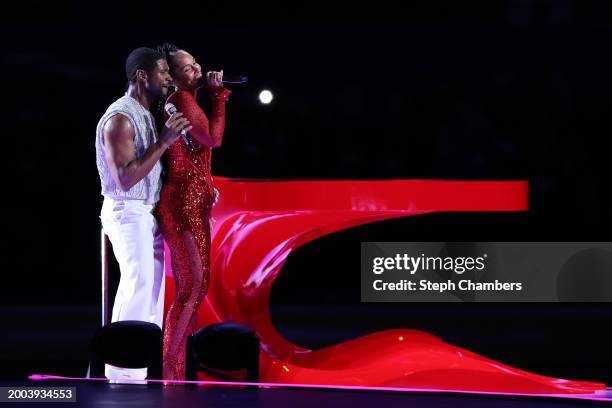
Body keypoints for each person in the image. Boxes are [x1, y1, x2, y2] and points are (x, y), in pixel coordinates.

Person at [95, 47, 192, 381]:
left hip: (144, 211)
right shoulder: (120, 117)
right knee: (137, 282)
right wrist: (164, 141)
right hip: (125, 210)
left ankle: (135, 371)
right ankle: (119, 371)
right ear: (142, 75)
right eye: (164, 72)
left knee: (151, 290)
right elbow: (124, 178)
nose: (168, 78)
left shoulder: (145, 112)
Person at [155, 43, 232, 380]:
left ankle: (182, 363)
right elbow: (213, 139)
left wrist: (206, 184)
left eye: (197, 63)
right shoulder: (181, 100)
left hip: (195, 201)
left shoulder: (187, 100)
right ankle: (171, 368)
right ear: (172, 77)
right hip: (183, 204)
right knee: (191, 287)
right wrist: (218, 98)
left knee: (198, 288)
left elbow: (198, 153)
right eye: (189, 68)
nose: (198, 70)